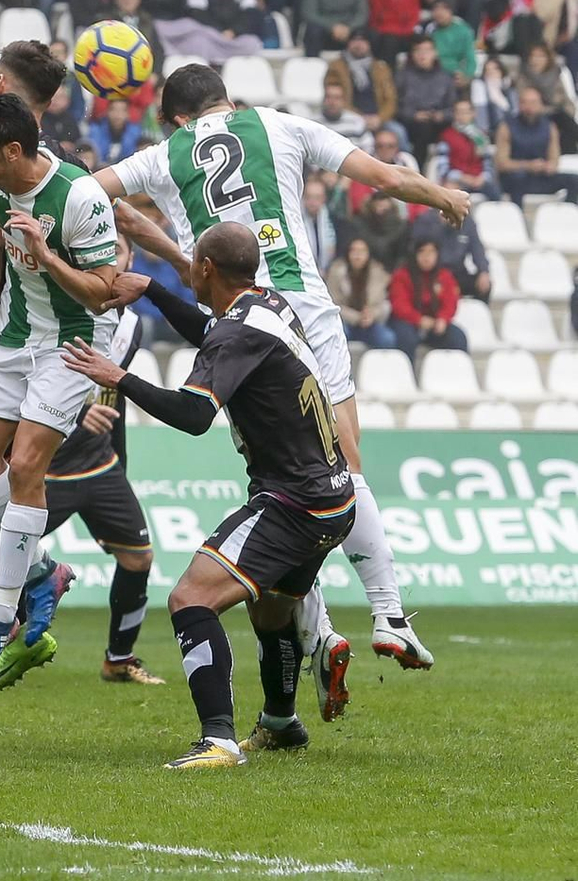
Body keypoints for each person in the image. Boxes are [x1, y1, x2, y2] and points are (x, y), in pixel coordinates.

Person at [93, 64, 471, 690]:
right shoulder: (280, 125)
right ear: (229, 101)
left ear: (177, 119)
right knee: (340, 466)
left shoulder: (162, 155)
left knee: (279, 476)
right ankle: (389, 613)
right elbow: (384, 176)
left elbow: (85, 193)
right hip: (304, 312)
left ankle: (319, 631)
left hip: (235, 319)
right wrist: (443, 197)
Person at [64, 223, 356, 769]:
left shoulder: (235, 333)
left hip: (294, 501)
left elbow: (196, 415)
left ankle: (217, 739)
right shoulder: (266, 306)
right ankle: (280, 723)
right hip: (334, 498)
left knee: (190, 599)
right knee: (272, 613)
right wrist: (152, 289)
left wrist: (117, 375)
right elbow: (213, 332)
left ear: (205, 268)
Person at [0, 93, 114, 687]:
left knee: (27, 465)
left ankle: (1, 612)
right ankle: (41, 574)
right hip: (11, 336)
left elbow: (103, 291)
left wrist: (45, 256)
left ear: (13, 150)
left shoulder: (81, 197)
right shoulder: (3, 189)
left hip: (72, 343)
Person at [496, 86, 578, 205]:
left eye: (533, 102)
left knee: (574, 180)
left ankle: (568, 213)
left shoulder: (550, 127)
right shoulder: (506, 127)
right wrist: (528, 165)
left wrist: (550, 166)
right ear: (519, 104)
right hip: (514, 178)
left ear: (541, 105)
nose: (529, 107)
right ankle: (519, 217)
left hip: (541, 177)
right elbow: (502, 164)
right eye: (525, 102)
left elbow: (554, 158)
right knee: (518, 178)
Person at [388, 238, 467, 358]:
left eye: (431, 252)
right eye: (422, 252)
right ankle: (407, 374)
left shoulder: (444, 276)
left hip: (434, 323)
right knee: (407, 338)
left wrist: (443, 319)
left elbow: (451, 302)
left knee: (458, 337)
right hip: (406, 322)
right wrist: (418, 319)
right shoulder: (402, 275)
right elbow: (399, 305)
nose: (426, 257)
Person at [327, 237, 396, 349]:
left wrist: (372, 314)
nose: (358, 255)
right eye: (354, 251)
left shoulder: (378, 273)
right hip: (344, 321)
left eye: (362, 251)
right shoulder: (336, 271)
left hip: (369, 322)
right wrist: (356, 317)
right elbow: (332, 304)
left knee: (388, 338)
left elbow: (384, 305)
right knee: (337, 336)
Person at [395, 37, 454, 152]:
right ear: (412, 54)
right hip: (411, 122)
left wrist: (442, 115)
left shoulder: (445, 77)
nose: (422, 55)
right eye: (418, 50)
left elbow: (454, 107)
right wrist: (413, 115)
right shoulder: (402, 76)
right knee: (423, 129)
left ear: (435, 53)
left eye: (427, 50)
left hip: (439, 121)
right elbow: (395, 106)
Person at [438, 97, 500, 199]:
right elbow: (443, 169)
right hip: (458, 182)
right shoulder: (447, 136)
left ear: (473, 113)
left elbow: (488, 165)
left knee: (495, 193)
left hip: (479, 181)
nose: (462, 116)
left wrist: (482, 178)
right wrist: (462, 177)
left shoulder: (481, 137)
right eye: (459, 112)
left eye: (466, 112)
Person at [88, 98, 142, 165]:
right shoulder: (96, 130)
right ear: (107, 112)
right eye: (113, 110)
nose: (117, 115)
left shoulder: (135, 132)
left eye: (122, 111)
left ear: (127, 114)